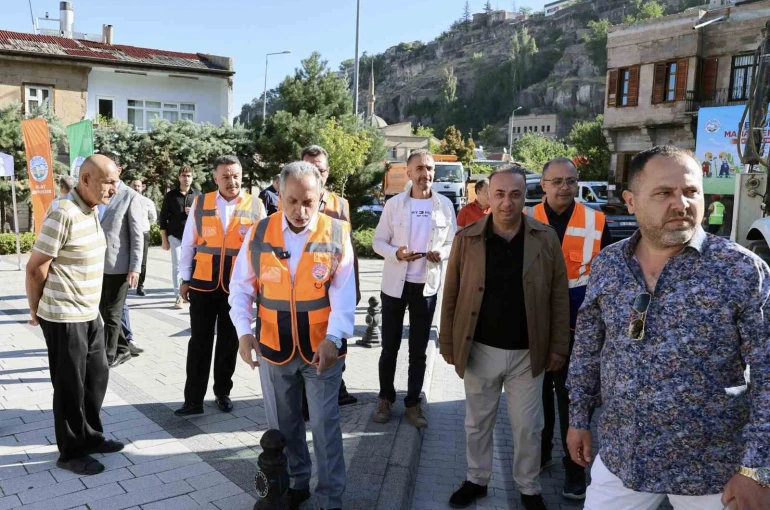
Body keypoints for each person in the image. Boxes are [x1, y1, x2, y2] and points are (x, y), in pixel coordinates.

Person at [567, 146, 770, 510]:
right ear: (630, 201)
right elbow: (587, 349)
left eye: (691, 191)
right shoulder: (608, 265)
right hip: (622, 462)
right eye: (663, 193)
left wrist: (756, 469)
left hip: (713, 474)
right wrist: (579, 418)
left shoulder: (741, 271)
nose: (681, 203)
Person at [440, 165, 570, 510]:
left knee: (529, 427)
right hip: (480, 349)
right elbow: (450, 294)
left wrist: (559, 346)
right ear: (487, 197)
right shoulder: (466, 238)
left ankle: (529, 488)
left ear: (525, 196)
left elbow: (559, 296)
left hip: (528, 353)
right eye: (499, 194)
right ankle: (476, 480)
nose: (507, 202)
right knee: (477, 422)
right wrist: (448, 343)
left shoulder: (545, 238)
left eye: (515, 194)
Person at [231, 161, 356, 510]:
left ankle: (331, 497)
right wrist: (243, 332)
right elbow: (241, 288)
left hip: (322, 349)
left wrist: (333, 339)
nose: (300, 210)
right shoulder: (259, 233)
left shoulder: (336, 233)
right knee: (284, 426)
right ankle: (297, 483)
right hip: (272, 345)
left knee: (325, 426)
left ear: (321, 197)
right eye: (292, 201)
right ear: (279, 195)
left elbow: (345, 293)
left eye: (309, 201)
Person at [25, 154, 125, 475]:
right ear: (85, 180)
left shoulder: (92, 209)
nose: (114, 187)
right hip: (64, 315)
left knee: (96, 377)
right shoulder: (62, 212)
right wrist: (36, 309)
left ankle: (92, 437)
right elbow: (36, 267)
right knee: (70, 385)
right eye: (108, 181)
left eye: (116, 180)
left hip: (88, 313)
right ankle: (70, 452)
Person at [527, 157, 612, 501]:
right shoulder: (525, 217)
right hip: (533, 324)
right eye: (557, 181)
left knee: (573, 400)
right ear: (543, 185)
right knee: (536, 396)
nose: (564, 187)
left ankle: (575, 470)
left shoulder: (596, 220)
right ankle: (543, 451)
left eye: (570, 181)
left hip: (579, 328)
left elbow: (607, 277)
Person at [372, 149, 456, 428]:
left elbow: (451, 242)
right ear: (408, 173)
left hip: (426, 287)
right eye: (419, 168)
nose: (426, 174)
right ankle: (385, 398)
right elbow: (378, 242)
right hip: (395, 286)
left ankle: (413, 403)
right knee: (389, 347)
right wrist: (396, 253)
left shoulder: (444, 205)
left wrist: (440, 254)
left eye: (430, 168)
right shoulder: (395, 205)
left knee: (419, 349)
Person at [174, 155, 264, 416]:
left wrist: (259, 287)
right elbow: (189, 243)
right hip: (203, 284)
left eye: (236, 175)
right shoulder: (201, 203)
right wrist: (185, 278)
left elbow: (261, 249)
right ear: (215, 178)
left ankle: (222, 392)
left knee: (229, 341)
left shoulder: (256, 206)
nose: (231, 181)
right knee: (200, 342)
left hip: (237, 287)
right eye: (225, 176)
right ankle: (193, 400)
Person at [300, 145, 359, 410]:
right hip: (303, 287)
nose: (316, 174)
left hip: (333, 284)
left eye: (320, 169)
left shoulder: (340, 204)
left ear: (328, 171)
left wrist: (353, 285)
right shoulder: (290, 198)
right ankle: (306, 398)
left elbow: (349, 247)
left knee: (335, 336)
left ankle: (337, 388)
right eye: (309, 168)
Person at [98, 169, 143, 368]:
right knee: (102, 308)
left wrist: (135, 268)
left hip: (120, 265)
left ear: (119, 170)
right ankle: (124, 348)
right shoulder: (99, 192)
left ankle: (110, 354)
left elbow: (137, 235)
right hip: (99, 263)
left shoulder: (130, 196)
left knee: (113, 312)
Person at [159, 167, 201, 309]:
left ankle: (192, 291)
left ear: (192, 177)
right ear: (179, 178)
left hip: (193, 237)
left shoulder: (198, 195)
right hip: (175, 236)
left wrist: (194, 213)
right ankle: (178, 297)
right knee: (177, 265)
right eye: (183, 175)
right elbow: (163, 217)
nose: (186, 178)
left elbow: (204, 217)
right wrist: (164, 239)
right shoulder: (171, 195)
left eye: (189, 175)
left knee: (192, 265)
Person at [130, 179, 157, 296]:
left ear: (143, 187)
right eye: (134, 186)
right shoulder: (126, 201)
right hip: (129, 233)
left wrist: (144, 226)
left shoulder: (147, 202)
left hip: (143, 233)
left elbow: (153, 218)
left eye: (138, 186)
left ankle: (140, 285)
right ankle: (126, 284)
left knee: (142, 260)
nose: (136, 188)